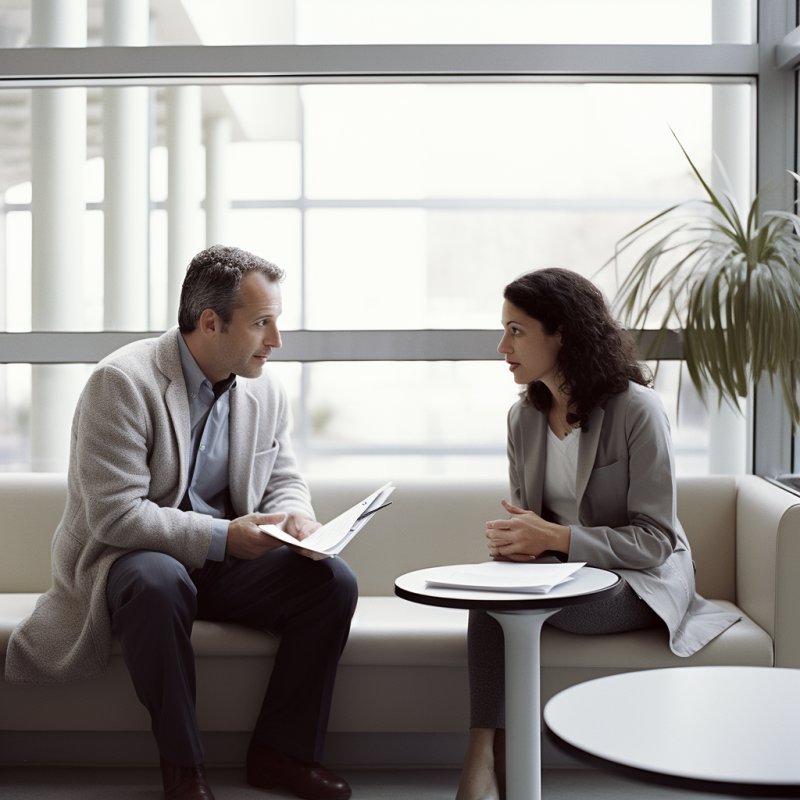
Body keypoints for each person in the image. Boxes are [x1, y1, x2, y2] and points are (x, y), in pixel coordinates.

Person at [5, 245, 357, 800]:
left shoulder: (264, 388)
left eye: (277, 321)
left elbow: (282, 476)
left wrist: (300, 521)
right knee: (157, 579)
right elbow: (116, 516)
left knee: (331, 583)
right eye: (262, 323)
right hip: (132, 559)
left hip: (224, 562)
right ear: (211, 322)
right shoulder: (121, 383)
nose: (276, 341)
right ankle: (184, 769)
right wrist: (225, 538)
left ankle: (280, 756)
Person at [455, 268, 740, 800]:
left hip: (637, 580)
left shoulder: (637, 410)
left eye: (516, 330)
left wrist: (557, 540)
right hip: (561, 572)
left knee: (516, 601)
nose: (502, 346)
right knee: (490, 593)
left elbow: (656, 541)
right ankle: (484, 755)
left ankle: (494, 763)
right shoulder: (523, 419)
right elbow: (531, 521)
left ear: (560, 332)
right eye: (504, 330)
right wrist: (516, 541)